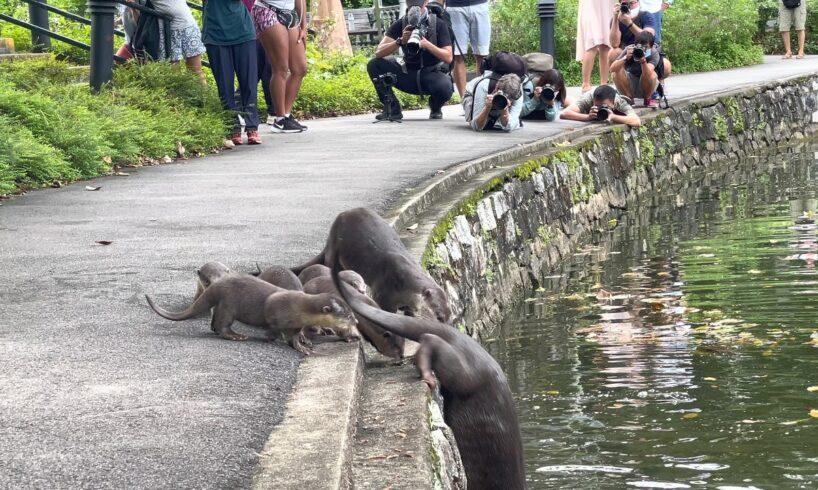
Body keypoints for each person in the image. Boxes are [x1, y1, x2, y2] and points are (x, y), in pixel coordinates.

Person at [366, 0, 454, 121]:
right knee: (374, 64)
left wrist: (428, 45)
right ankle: (392, 108)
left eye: (419, 3)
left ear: (426, 3)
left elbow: (448, 57)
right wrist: (400, 41)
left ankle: (435, 106)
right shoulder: (401, 23)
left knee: (445, 87)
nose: (415, 6)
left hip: (432, 74)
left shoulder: (438, 23)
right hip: (408, 73)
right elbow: (378, 52)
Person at [203, 0, 262, 145]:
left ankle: (252, 127)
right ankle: (232, 127)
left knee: (249, 82)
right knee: (224, 85)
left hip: (243, 30)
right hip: (215, 33)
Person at [253, 0, 309, 133]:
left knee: (300, 68)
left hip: (289, 13)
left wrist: (304, 26)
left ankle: (287, 115)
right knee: (280, 68)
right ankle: (279, 119)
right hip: (267, 9)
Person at [610, 31, 670, 108]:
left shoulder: (654, 53)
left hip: (647, 85)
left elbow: (648, 74)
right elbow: (612, 69)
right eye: (640, 46)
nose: (643, 49)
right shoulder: (629, 49)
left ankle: (647, 99)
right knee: (616, 72)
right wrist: (625, 58)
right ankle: (629, 99)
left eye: (645, 47)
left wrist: (643, 61)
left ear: (651, 47)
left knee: (652, 75)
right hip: (630, 83)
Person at [152, 0, 207, 80]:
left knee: (196, 71)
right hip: (167, 31)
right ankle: (179, 92)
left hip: (188, 26)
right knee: (174, 74)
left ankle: (202, 93)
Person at [448, 0, 492, 98]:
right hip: (455, 7)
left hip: (480, 5)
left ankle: (480, 98)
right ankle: (465, 101)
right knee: (458, 55)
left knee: (482, 55)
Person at [560, 84, 641, 127]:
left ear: (613, 102)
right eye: (597, 105)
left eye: (604, 106)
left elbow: (637, 121)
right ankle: (562, 98)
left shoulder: (619, 102)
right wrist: (587, 117)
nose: (600, 108)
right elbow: (564, 114)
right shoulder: (589, 98)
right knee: (568, 102)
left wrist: (613, 117)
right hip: (583, 105)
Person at [576, 0, 613, 93]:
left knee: (606, 45)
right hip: (591, 7)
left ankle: (604, 84)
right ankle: (586, 83)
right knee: (591, 44)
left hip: (607, 5)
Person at [608, 0, 655, 68]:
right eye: (626, 4)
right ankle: (619, 77)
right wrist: (615, 18)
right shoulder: (617, 19)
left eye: (632, 3)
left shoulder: (646, 15)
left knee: (666, 65)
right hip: (626, 51)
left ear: (638, 2)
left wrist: (629, 23)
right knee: (613, 52)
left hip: (645, 49)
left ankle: (655, 75)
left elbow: (649, 38)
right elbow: (614, 44)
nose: (629, 6)